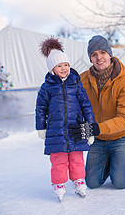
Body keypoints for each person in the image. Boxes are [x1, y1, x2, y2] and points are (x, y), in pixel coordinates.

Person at [69, 35, 125, 190]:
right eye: (94, 54)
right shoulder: (82, 80)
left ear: (110, 54)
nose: (99, 57)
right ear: (90, 59)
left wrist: (95, 128)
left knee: (120, 183)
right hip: (98, 139)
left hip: (121, 137)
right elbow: (72, 103)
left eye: (102, 53)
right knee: (92, 183)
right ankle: (111, 160)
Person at [35, 37, 95, 201]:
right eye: (60, 65)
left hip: (75, 128)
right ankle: (59, 184)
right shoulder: (46, 87)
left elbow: (86, 106)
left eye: (66, 65)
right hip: (55, 131)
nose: (64, 68)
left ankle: (78, 181)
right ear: (52, 69)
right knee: (59, 160)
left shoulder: (76, 83)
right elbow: (40, 108)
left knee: (77, 158)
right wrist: (41, 127)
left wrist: (90, 130)